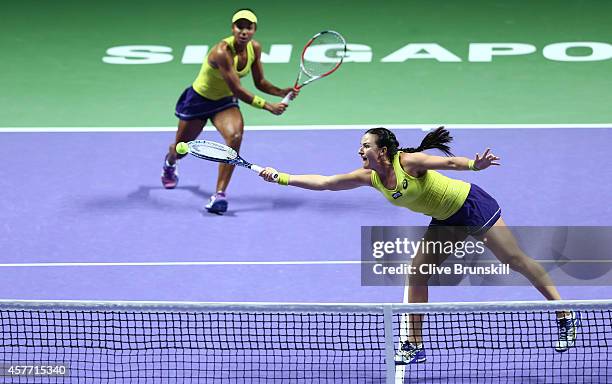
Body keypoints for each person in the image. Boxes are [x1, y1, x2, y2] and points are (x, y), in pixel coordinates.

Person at [259, 127, 581, 364]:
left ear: (383, 151)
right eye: (360, 146)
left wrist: (474, 165)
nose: (360, 151)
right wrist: (281, 177)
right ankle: (414, 343)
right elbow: (326, 183)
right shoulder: (370, 176)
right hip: (445, 220)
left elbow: (448, 164)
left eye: (366, 146)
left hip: (470, 205)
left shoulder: (408, 163)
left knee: (514, 260)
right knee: (418, 274)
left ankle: (565, 314)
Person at [162, 8, 298, 214]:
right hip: (199, 100)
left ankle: (219, 194)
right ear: (233, 29)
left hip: (224, 103)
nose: (244, 31)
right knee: (181, 149)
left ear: (254, 30)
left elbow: (259, 82)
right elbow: (237, 89)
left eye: (248, 27)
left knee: (235, 137)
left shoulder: (255, 48)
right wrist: (268, 106)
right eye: (239, 26)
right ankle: (170, 163)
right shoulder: (221, 52)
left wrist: (281, 92)